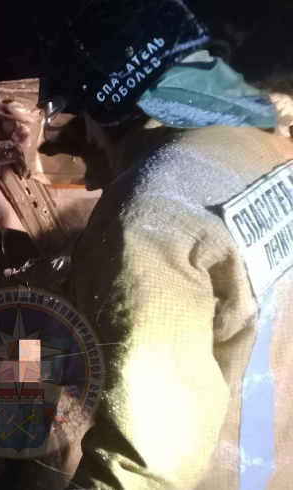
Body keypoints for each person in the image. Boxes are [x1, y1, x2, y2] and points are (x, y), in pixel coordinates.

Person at [37, 0, 293, 488]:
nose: (83, 133)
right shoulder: (273, 149)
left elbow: (147, 461)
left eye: (82, 114)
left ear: (109, 107)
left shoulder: (149, 213)